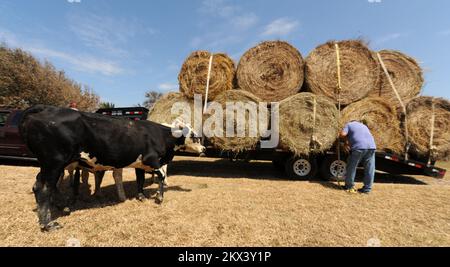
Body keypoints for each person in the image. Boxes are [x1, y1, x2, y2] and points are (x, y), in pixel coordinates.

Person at [340, 119, 376, 194]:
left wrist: (346, 142)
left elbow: (342, 134)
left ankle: (349, 186)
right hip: (372, 147)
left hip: (359, 147)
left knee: (351, 167)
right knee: (369, 168)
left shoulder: (349, 125)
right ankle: (367, 189)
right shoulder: (364, 126)